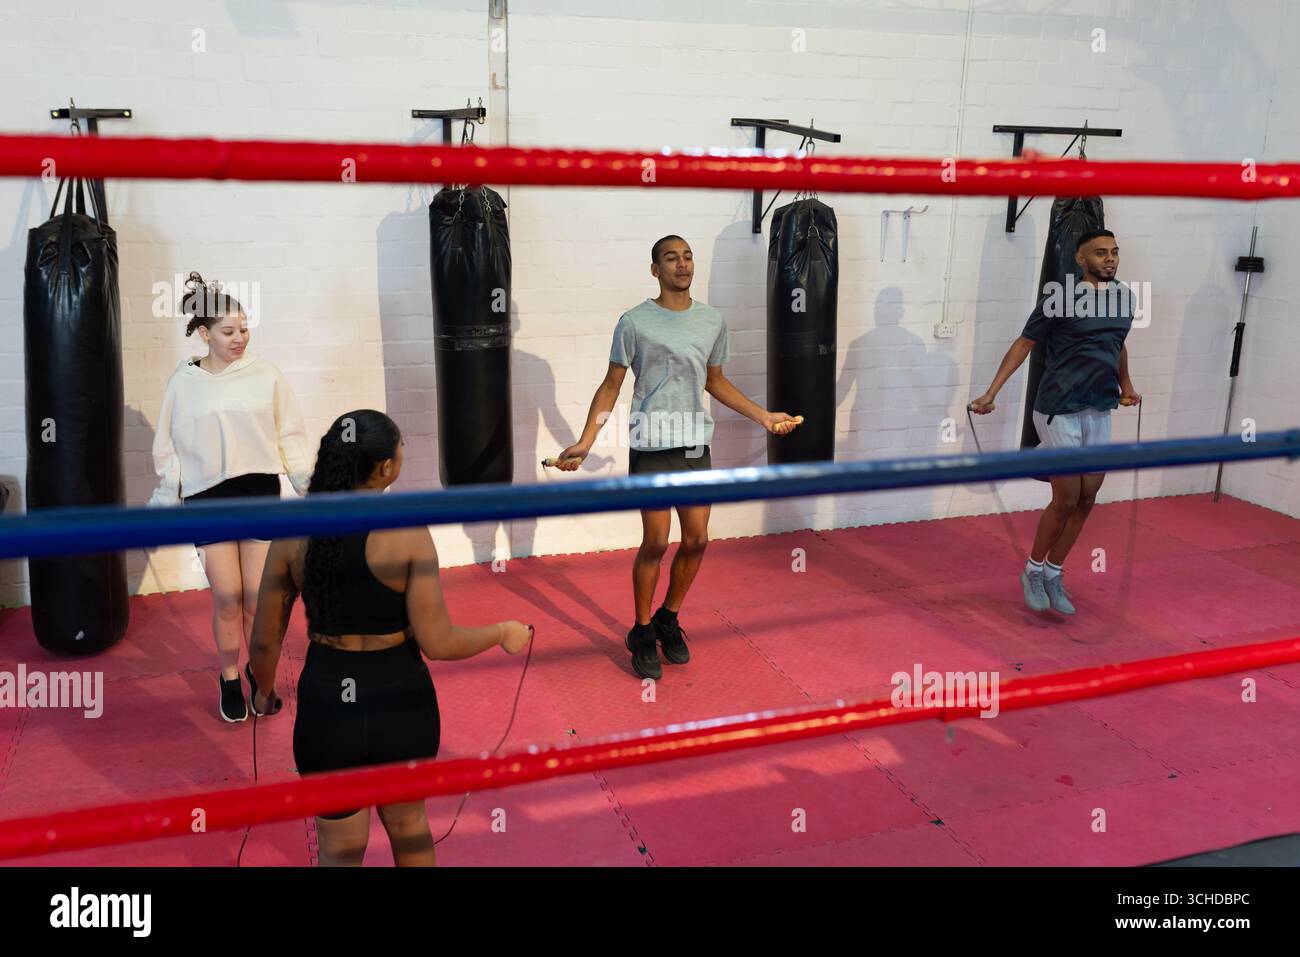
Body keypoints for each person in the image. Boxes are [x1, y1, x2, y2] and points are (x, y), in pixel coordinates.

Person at [247, 410, 533, 867]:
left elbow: (265, 641)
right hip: (400, 699)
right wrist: (501, 632)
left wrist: (264, 693)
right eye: (401, 450)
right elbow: (439, 642)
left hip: (328, 702)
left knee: (339, 849)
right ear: (385, 468)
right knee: (409, 826)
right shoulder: (407, 531)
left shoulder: (293, 531)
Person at [550, 236, 801, 679]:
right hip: (650, 445)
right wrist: (586, 441)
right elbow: (611, 385)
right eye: (671, 258)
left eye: (687, 257)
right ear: (656, 270)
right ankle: (642, 630)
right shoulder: (634, 322)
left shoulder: (711, 320)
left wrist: (763, 416)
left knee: (698, 539)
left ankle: (668, 616)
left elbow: (714, 381)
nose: (682, 264)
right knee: (655, 543)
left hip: (693, 445)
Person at [148, 272, 314, 722]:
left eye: (244, 328)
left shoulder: (267, 375)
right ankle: (227, 677)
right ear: (204, 334)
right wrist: (163, 503)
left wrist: (310, 487)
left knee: (257, 600)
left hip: (259, 493)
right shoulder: (182, 382)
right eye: (227, 331)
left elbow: (291, 436)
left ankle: (258, 673)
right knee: (227, 598)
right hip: (208, 500)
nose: (239, 338)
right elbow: (169, 448)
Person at [970, 229, 1141, 616]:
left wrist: (1126, 386)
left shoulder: (1125, 297)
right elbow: (1025, 343)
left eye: (1114, 252)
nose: (1110, 259)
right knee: (1065, 499)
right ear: (1081, 259)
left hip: (1099, 406)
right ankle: (1032, 571)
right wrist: (991, 392)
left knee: (1088, 497)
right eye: (1100, 253)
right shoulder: (1058, 298)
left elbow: (1118, 344)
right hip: (1058, 408)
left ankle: (1053, 572)